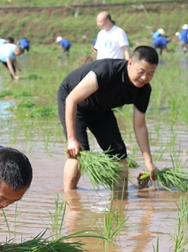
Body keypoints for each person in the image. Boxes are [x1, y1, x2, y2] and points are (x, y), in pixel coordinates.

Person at [58, 46, 160, 192]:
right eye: (141, 72)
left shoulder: (144, 90)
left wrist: (148, 162)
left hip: (101, 109)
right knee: (79, 152)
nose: (145, 78)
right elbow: (71, 99)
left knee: (118, 153)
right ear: (130, 63)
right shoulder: (107, 70)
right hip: (75, 102)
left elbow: (139, 126)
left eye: (150, 74)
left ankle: (120, 199)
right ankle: (70, 197)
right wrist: (72, 139)